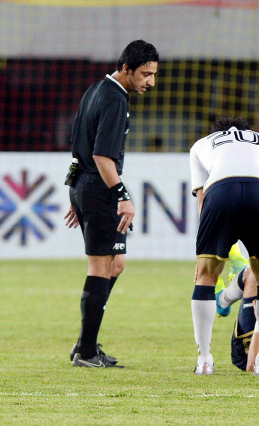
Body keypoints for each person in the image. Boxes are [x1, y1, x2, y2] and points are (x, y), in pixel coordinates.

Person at [64, 40, 159, 368]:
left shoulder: (95, 90)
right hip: (99, 188)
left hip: (87, 186)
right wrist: (123, 197)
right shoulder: (115, 100)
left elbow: (78, 147)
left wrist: (75, 192)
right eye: (145, 74)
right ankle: (87, 352)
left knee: (115, 265)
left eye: (154, 75)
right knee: (100, 267)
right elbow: (101, 156)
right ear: (127, 69)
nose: (150, 82)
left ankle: (85, 343)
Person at [189, 117, 259, 376]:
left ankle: (205, 360)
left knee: (205, 277)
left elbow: (202, 202)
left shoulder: (201, 145)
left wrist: (207, 256)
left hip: (221, 191)